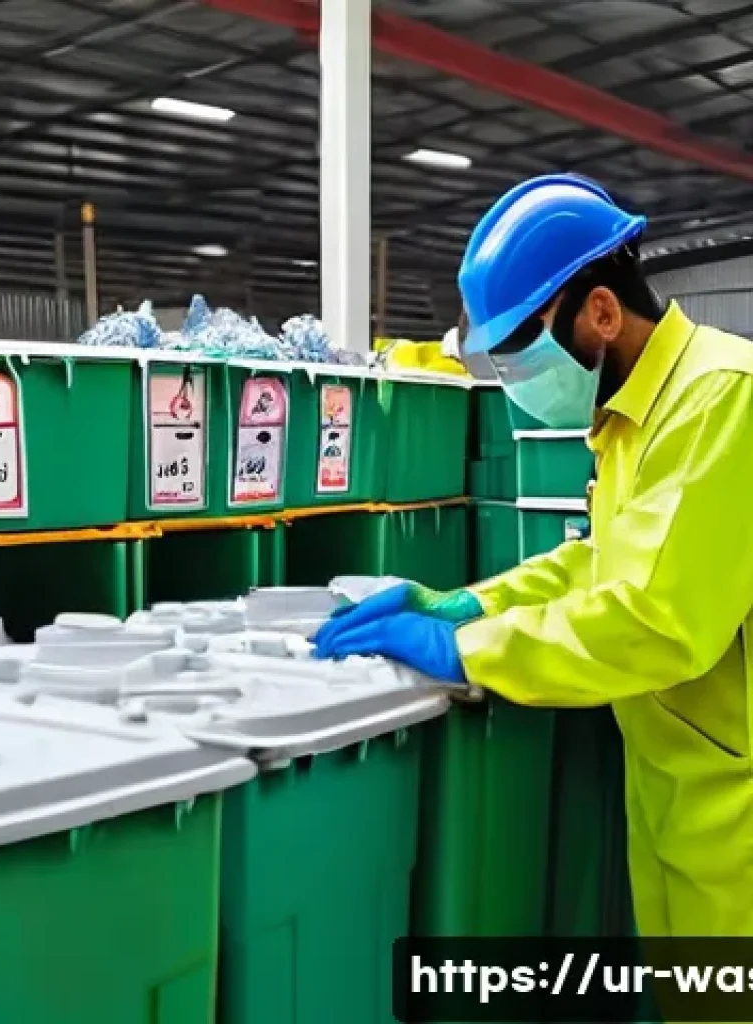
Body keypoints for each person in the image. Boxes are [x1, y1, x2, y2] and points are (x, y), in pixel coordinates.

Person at [314, 173, 753, 938]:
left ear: (602, 312)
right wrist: (468, 604)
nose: (514, 380)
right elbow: (600, 563)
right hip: (682, 785)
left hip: (736, 805)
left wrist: (468, 650)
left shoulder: (721, 400)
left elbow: (656, 618)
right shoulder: (631, 417)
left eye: (521, 353)